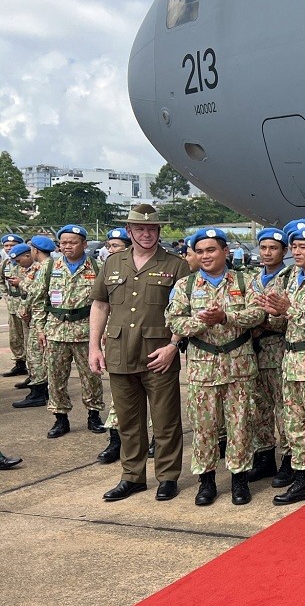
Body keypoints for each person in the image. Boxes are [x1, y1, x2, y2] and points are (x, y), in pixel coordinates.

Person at [91, 203, 191, 502]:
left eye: (151, 228)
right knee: (128, 421)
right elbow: (100, 305)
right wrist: (94, 346)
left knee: (166, 421)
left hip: (157, 354)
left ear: (159, 231)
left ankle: (167, 477)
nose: (146, 234)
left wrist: (174, 346)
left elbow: (184, 310)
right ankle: (132, 477)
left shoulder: (176, 265)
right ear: (130, 231)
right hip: (120, 352)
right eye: (140, 229)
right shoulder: (112, 263)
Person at [166, 228, 265, 506]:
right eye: (200, 251)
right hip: (202, 367)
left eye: (211, 250)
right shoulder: (185, 286)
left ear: (225, 252)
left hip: (239, 366)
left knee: (241, 424)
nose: (205, 256)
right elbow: (174, 322)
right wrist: (204, 322)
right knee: (204, 426)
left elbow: (258, 314)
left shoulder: (247, 281)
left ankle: (239, 479)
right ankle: (206, 481)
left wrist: (226, 317)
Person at [263, 222, 305, 507]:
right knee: (296, 426)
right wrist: (274, 313)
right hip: (290, 361)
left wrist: (288, 308)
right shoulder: (290, 277)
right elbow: (282, 322)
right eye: (294, 247)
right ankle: (304, 478)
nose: (297, 252)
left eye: (303, 247)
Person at [28, 224, 105, 438]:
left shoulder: (97, 267)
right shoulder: (50, 266)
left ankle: (94, 415)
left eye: (72, 242)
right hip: (55, 331)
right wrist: (40, 328)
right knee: (55, 377)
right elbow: (38, 299)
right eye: (63, 243)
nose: (67, 246)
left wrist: (103, 331)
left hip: (85, 331)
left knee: (91, 376)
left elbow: (105, 302)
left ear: (84, 244)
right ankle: (61, 419)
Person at [245, 227, 294, 486]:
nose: (267, 253)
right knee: (259, 408)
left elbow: (287, 318)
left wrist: (263, 321)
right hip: (255, 353)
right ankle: (264, 458)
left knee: (284, 409)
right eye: (263, 248)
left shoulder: (289, 278)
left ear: (284, 251)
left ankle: (289, 459)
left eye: (273, 248)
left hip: (279, 350)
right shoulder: (253, 279)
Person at [96, 228, 139, 465]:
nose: (110, 250)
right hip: (119, 339)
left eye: (116, 246)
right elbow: (103, 305)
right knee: (120, 397)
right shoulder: (110, 268)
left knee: (153, 399)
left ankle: (152, 441)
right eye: (109, 245)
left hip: (149, 340)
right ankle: (115, 440)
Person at [12, 236, 56, 409]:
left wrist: (26, 306)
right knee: (35, 354)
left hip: (40, 318)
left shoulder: (45, 267)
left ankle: (38, 393)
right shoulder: (45, 266)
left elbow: (35, 293)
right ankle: (40, 389)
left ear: (35, 250)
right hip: (38, 317)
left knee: (36, 355)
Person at [1, 233, 28, 378]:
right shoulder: (5, 264)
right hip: (12, 305)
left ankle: (32, 366)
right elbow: (1, 281)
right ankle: (20, 363)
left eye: (12, 245)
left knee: (28, 336)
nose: (9, 248)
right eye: (6, 246)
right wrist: (6, 295)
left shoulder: (28, 263)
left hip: (25, 304)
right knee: (14, 337)